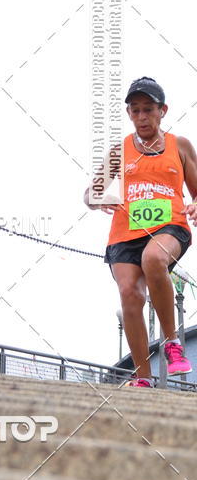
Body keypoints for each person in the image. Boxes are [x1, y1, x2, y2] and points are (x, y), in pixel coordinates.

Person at [84, 77, 196, 387]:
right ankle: (143, 379)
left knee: (153, 258)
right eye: (135, 110)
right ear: (129, 113)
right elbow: (90, 194)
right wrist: (98, 198)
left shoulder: (180, 146)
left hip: (169, 226)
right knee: (130, 294)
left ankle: (172, 342)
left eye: (148, 109)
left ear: (163, 111)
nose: (142, 117)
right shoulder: (119, 151)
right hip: (124, 233)